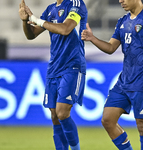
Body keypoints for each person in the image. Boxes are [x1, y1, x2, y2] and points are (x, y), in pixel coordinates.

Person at [81, 0, 143, 150]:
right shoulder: (122, 21)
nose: (120, 1)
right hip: (124, 82)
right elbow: (110, 48)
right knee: (107, 119)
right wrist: (93, 38)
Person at [19, 0, 88, 150]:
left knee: (62, 112)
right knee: (55, 116)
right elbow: (32, 35)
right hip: (54, 67)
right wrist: (25, 21)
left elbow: (66, 29)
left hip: (72, 65)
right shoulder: (50, 9)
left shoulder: (76, 4)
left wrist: (36, 19)